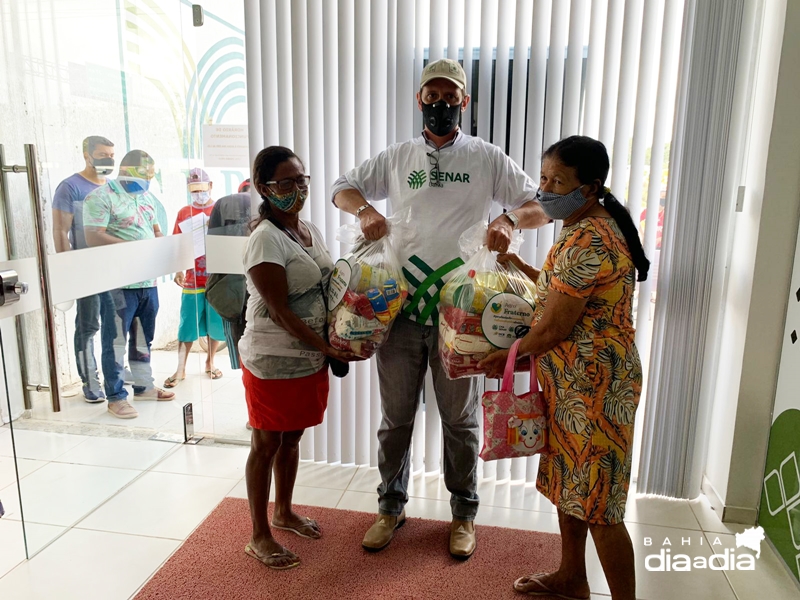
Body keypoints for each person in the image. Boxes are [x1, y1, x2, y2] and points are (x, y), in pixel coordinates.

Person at [331, 58, 550, 559]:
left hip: (461, 314)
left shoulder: (486, 157)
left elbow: (538, 203)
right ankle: (390, 507)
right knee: (396, 418)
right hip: (400, 307)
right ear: (419, 100)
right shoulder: (398, 156)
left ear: (465, 102)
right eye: (432, 96)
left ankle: (463, 513)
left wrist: (511, 221)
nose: (440, 105)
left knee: (461, 420)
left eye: (450, 97)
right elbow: (342, 187)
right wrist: (365, 209)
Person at [478, 136, 649, 600]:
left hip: (594, 386)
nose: (546, 189)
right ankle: (572, 576)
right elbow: (562, 295)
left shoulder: (589, 236)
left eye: (558, 181)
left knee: (600, 505)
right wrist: (520, 266)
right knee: (572, 486)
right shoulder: (585, 225)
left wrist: (507, 357)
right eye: (544, 177)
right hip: (573, 382)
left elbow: (553, 327)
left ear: (590, 187)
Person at [241, 146, 361, 570]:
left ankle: (284, 512)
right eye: (286, 182)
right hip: (272, 360)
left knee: (292, 438)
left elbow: (328, 286)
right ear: (264, 187)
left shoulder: (308, 229)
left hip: (309, 358)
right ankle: (259, 534)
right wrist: (326, 347)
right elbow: (279, 309)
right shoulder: (264, 239)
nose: (298, 189)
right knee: (266, 441)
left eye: (302, 180)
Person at [83, 150, 176, 419]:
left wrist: (162, 245)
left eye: (150, 175)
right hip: (118, 283)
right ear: (125, 169)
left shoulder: (145, 198)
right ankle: (115, 397)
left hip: (148, 281)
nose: (147, 179)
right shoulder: (100, 197)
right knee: (116, 341)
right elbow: (93, 236)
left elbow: (157, 230)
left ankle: (144, 385)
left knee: (143, 338)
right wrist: (135, 248)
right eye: (142, 174)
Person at [52, 135, 117, 403]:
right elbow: (60, 230)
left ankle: (116, 376)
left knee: (115, 326)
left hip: (113, 271)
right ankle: (90, 382)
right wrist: (69, 269)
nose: (108, 160)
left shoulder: (113, 188)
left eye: (112, 156)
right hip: (85, 270)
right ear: (87, 156)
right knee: (88, 326)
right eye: (102, 155)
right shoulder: (70, 187)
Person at [164, 168, 226, 388]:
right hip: (192, 278)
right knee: (187, 324)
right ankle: (181, 368)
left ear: (210, 187)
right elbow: (177, 243)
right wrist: (178, 269)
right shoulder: (184, 212)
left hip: (216, 277)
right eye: (193, 189)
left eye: (201, 188)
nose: (198, 193)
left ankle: (210, 362)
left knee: (215, 323)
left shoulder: (220, 208)